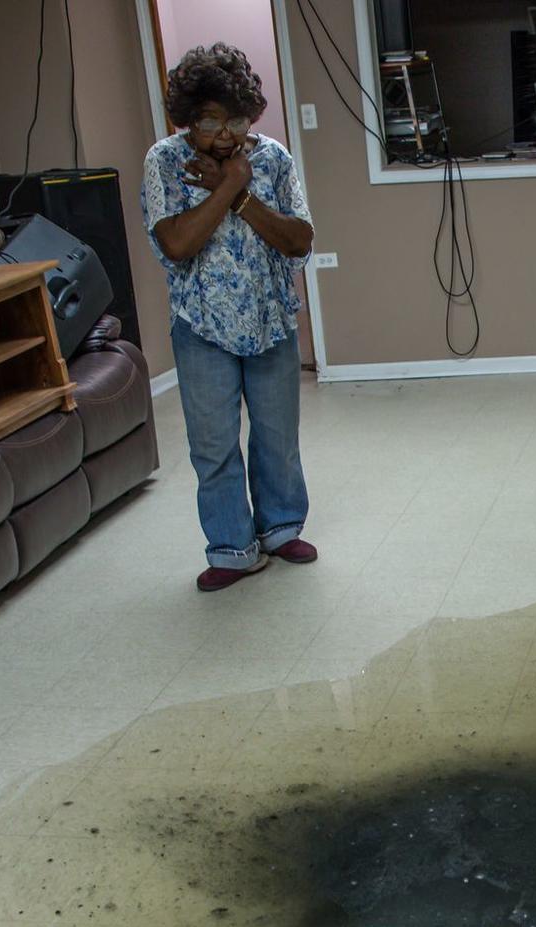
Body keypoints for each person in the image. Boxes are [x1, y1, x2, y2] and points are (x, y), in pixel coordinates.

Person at [140, 43, 318, 591]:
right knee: (213, 445)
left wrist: (240, 192)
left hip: (271, 321)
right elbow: (177, 243)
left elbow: (299, 239)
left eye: (236, 118)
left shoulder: (275, 158)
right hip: (201, 328)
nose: (224, 133)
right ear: (188, 119)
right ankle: (232, 549)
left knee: (277, 438)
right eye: (210, 120)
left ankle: (281, 528)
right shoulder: (164, 161)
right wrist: (228, 186)